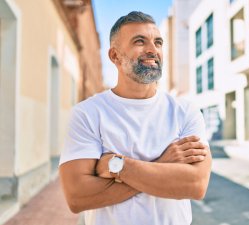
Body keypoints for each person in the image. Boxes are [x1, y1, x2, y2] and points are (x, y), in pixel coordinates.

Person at [59, 11, 212, 225]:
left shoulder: (185, 111)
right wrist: (163, 164)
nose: (152, 50)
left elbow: (195, 185)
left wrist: (116, 166)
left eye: (158, 42)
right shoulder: (87, 113)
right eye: (140, 41)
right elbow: (77, 197)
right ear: (115, 56)